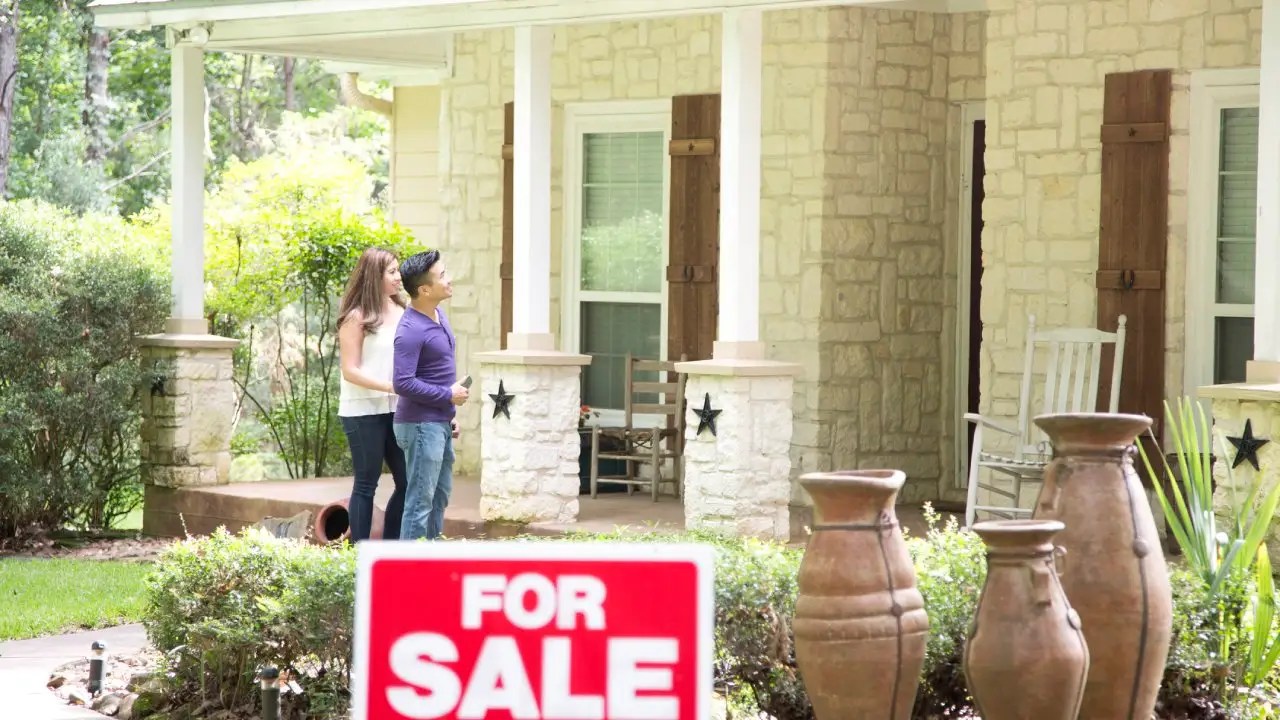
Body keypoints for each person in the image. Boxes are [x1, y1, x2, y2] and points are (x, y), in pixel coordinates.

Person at [392, 249, 468, 541]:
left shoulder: (439, 314)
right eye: (443, 276)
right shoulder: (410, 330)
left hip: (438, 423)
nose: (450, 280)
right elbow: (402, 382)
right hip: (420, 426)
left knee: (438, 499)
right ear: (424, 289)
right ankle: (407, 575)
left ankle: (431, 564)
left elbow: (435, 373)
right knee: (419, 503)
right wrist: (446, 396)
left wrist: (448, 415)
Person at [336, 247, 408, 542]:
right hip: (361, 410)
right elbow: (349, 370)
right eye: (391, 271)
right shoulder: (357, 317)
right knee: (366, 484)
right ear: (374, 276)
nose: (398, 276)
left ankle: (388, 549)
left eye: (397, 270)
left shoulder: (405, 312)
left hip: (397, 409)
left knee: (406, 481)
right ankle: (359, 553)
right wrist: (389, 386)